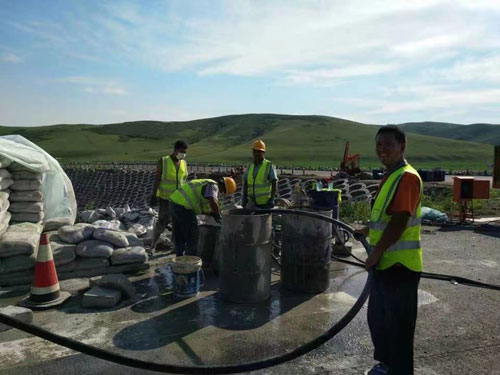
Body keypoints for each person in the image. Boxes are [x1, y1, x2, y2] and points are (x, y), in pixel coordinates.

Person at [356, 125, 423, 375]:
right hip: (386, 265)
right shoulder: (390, 175)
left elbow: (400, 219)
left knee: (398, 328)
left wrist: (375, 252)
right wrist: (366, 229)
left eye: (387, 144)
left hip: (400, 266)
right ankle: (386, 366)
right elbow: (385, 216)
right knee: (379, 321)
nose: (381, 149)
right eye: (378, 145)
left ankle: (398, 371)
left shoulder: (406, 177)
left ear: (402, 147)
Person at [168, 177, 237, 256]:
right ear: (223, 186)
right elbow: (213, 201)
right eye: (223, 191)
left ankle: (179, 259)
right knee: (192, 235)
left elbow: (200, 208)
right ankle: (191, 260)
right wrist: (218, 215)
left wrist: (211, 213)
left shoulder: (204, 185)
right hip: (184, 206)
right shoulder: (213, 185)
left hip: (174, 202)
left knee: (179, 234)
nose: (221, 193)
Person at [149, 140, 188, 254]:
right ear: (175, 150)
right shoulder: (164, 161)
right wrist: (154, 194)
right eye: (182, 151)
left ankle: (176, 246)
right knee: (162, 221)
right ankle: (153, 245)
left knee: (178, 223)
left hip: (179, 199)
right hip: (166, 198)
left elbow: (184, 180)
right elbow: (157, 178)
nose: (183, 154)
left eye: (185, 152)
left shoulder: (184, 163)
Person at [242, 140, 278, 209]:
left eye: (259, 152)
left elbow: (274, 182)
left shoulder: (268, 165)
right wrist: (244, 198)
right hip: (251, 203)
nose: (256, 154)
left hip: (265, 204)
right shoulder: (250, 166)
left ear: (263, 152)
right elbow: (246, 183)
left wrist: (272, 199)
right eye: (255, 151)